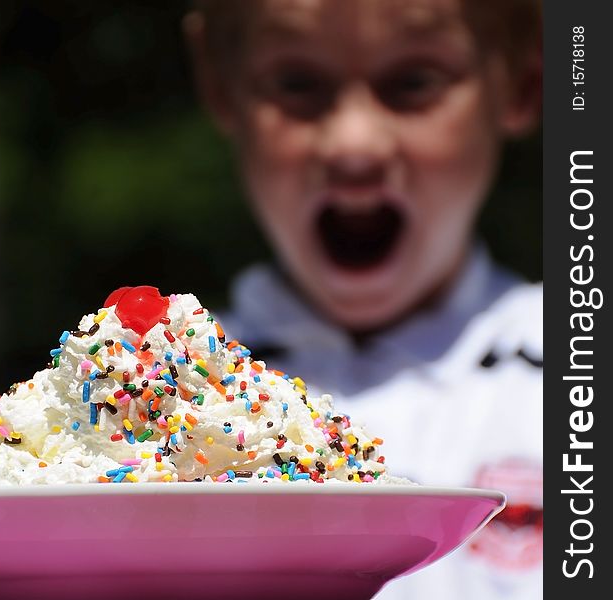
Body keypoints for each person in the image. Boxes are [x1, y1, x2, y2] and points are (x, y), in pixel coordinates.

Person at [184, 1, 542, 598]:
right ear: (219, 84)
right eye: (297, 84)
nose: (354, 145)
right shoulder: (148, 402)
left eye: (414, 82)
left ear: (523, 82)